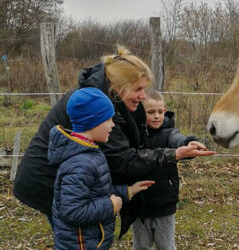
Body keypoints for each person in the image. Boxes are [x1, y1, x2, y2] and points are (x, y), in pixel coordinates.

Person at [13, 45, 216, 238]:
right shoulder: (98, 106)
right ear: (119, 86)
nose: (143, 96)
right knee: (77, 238)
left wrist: (180, 143)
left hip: (72, 181)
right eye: (138, 89)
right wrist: (174, 154)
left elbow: (145, 138)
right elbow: (121, 159)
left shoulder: (108, 98)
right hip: (49, 182)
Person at [48, 87, 154, 249]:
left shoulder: (90, 152)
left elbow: (97, 192)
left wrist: (128, 191)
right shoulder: (80, 164)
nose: (113, 125)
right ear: (93, 122)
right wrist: (111, 206)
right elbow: (73, 212)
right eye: (109, 120)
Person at [130, 89, 207, 249]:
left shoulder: (169, 133)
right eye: (151, 112)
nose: (157, 116)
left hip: (164, 205)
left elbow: (177, 140)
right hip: (138, 206)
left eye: (160, 112)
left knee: (166, 246)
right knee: (141, 246)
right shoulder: (133, 135)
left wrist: (189, 142)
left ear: (165, 111)